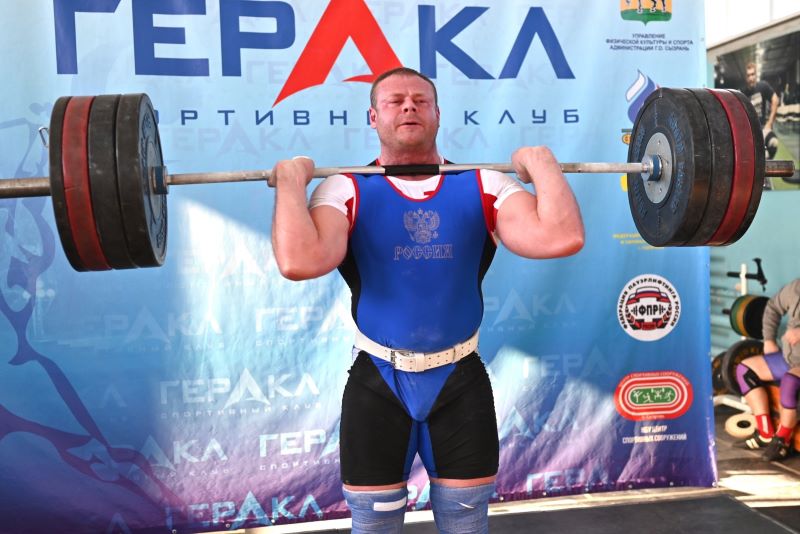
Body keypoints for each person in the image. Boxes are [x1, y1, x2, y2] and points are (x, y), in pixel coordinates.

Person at [270, 67, 584, 533]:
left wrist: (542, 166)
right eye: (395, 101)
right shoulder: (344, 187)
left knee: (466, 522)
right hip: (378, 382)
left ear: (438, 114)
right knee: (374, 525)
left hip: (459, 381)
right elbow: (300, 261)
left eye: (420, 100)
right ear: (373, 117)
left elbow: (561, 237)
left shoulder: (485, 184)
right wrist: (291, 184)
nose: (409, 107)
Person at [735, 278, 800, 462]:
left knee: (790, 381)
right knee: (745, 370)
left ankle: (782, 441)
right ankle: (765, 433)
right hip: (789, 359)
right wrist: (769, 339)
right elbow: (773, 307)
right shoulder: (796, 287)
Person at [742, 62, 780, 160]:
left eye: (752, 74)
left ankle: (765, 162)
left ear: (756, 75)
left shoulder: (763, 86)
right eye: (748, 75)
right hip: (750, 132)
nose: (751, 78)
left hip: (763, 128)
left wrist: (770, 122)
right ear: (746, 77)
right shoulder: (742, 93)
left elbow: (775, 100)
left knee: (773, 143)